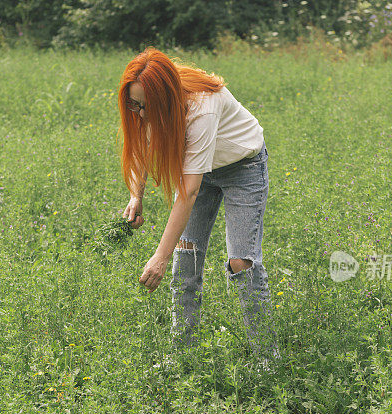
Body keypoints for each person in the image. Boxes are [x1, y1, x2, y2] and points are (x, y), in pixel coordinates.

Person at [117, 47, 279, 369]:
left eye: (142, 106)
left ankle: (267, 360)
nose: (138, 113)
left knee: (241, 262)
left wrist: (158, 257)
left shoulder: (200, 108)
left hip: (241, 168)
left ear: (162, 98)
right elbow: (140, 146)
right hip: (199, 171)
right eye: (133, 105)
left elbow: (188, 193)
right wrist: (136, 195)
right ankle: (182, 356)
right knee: (186, 259)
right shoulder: (150, 101)